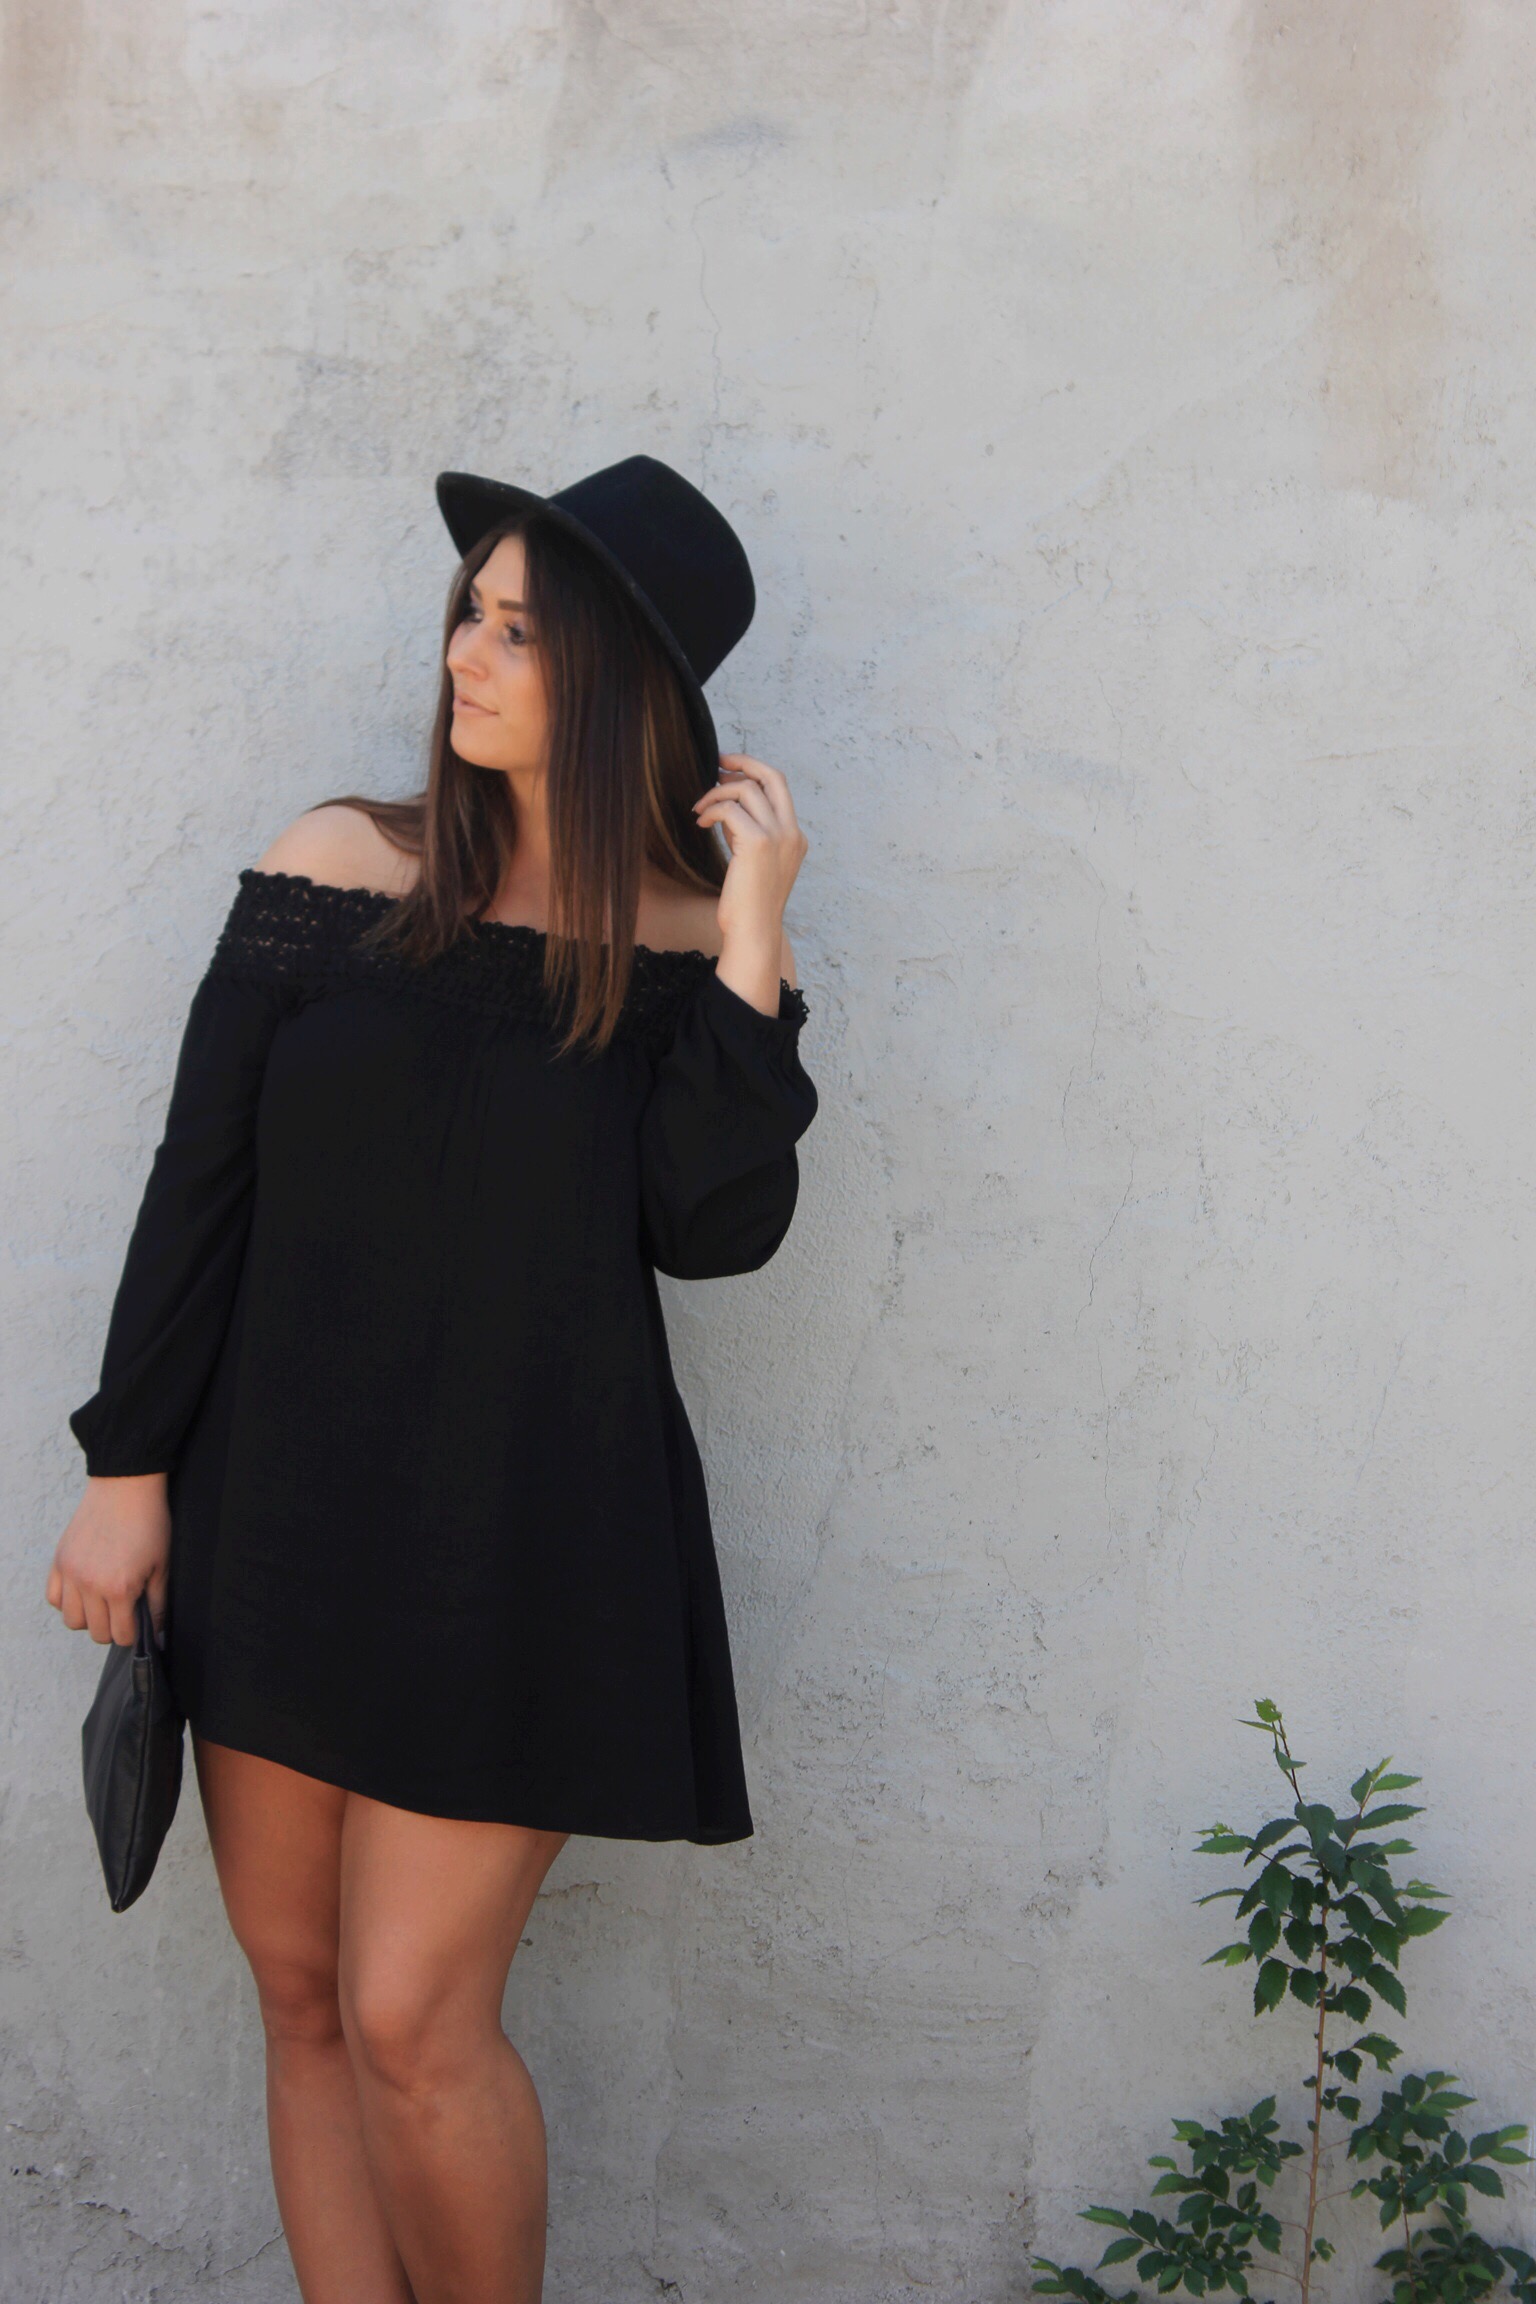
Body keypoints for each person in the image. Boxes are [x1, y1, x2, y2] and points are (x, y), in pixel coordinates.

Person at [46, 455, 816, 2304]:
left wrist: (756, 942)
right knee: (305, 1997)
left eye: (521, 631)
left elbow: (712, 1232)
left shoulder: (688, 948)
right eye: (471, 612)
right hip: (279, 1512)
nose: (467, 653)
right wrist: (125, 1472)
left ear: (623, 681)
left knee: (413, 2019)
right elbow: (199, 1183)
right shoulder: (337, 866)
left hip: (525, 1538)